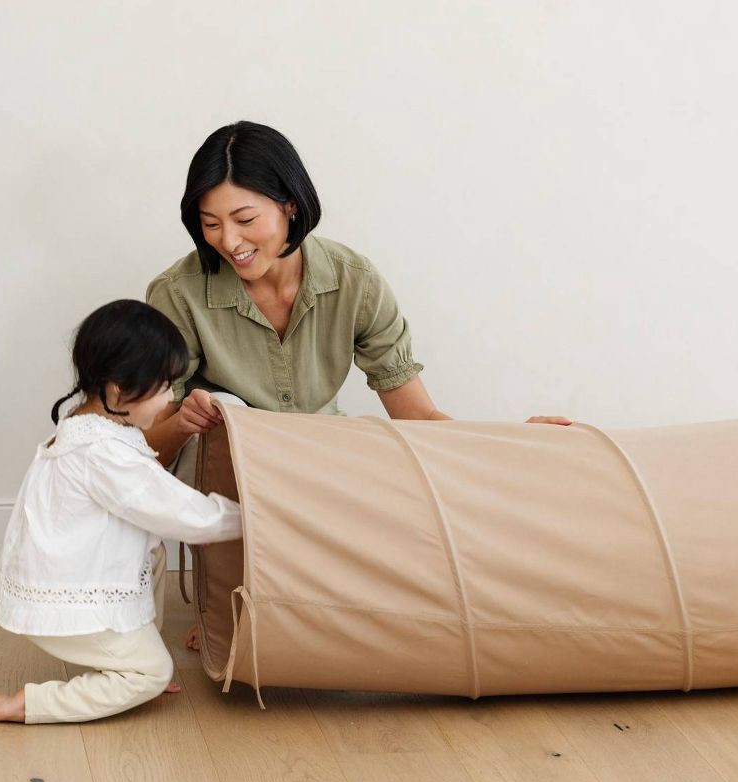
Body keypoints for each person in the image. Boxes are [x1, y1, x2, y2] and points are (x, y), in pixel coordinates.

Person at [144, 121, 571, 647]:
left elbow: (417, 417)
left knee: (396, 469)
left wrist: (509, 445)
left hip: (323, 454)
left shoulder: (355, 281)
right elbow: (141, 448)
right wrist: (181, 424)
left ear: (291, 205)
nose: (229, 241)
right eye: (210, 224)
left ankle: (343, 607)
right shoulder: (178, 294)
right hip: (225, 462)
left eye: (245, 219)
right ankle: (230, 606)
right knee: (230, 442)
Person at [0, 300, 243, 724]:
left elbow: (155, 503)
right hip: (66, 596)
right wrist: (247, 517)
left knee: (152, 554)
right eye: (164, 387)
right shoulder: (102, 452)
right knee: (153, 673)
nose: (170, 399)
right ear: (120, 390)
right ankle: (37, 702)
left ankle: (131, 656)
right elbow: (178, 511)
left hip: (75, 571)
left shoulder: (93, 425)